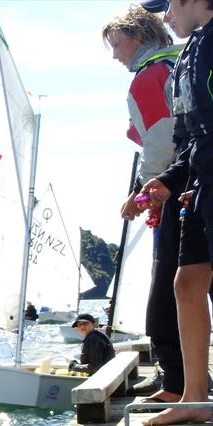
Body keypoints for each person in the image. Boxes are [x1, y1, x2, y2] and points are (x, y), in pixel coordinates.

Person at [103, 4, 184, 401]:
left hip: (177, 189)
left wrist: (142, 193)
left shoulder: (148, 76)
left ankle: (174, 380)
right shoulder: (181, 62)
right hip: (198, 181)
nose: (116, 54)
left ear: (138, 38)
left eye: (117, 44)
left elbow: (161, 141)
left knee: (166, 287)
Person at [137, 0, 213, 425]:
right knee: (186, 283)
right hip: (200, 184)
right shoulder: (187, 54)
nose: (164, 16)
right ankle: (195, 397)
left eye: (169, 5)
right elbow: (188, 140)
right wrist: (167, 181)